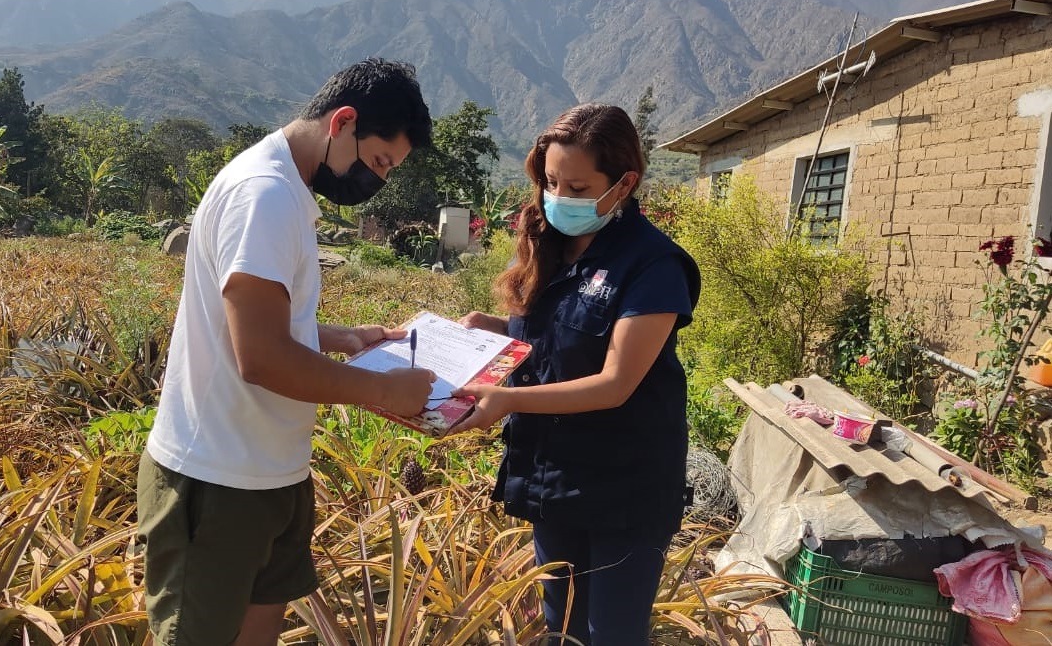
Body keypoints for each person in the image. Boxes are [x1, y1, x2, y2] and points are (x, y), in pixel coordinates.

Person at [138, 58, 438, 646]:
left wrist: (340, 338)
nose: (374, 180)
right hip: (217, 478)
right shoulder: (265, 196)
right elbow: (262, 357)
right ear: (343, 121)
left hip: (268, 474)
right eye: (377, 162)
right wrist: (383, 390)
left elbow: (256, 324)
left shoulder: (288, 190)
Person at [451, 103, 700, 646]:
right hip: (557, 476)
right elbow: (553, 336)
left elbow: (615, 382)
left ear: (624, 182)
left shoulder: (654, 265)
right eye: (552, 182)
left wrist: (508, 400)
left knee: (610, 633)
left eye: (579, 187)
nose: (560, 198)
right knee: (558, 628)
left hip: (625, 487)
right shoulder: (551, 244)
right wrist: (490, 328)